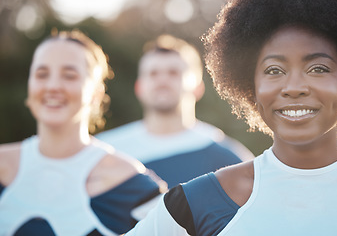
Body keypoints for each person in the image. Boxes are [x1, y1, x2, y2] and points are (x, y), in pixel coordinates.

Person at [126, 0, 337, 235]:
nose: (294, 88)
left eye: (318, 68)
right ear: (250, 86)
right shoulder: (199, 201)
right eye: (274, 70)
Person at [0, 30, 166, 236]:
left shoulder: (132, 185)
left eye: (69, 75)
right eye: (41, 74)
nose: (52, 86)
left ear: (96, 93)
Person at [96, 35, 254, 189]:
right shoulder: (105, 151)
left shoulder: (228, 158)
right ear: (139, 87)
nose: (162, 81)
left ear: (198, 87)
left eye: (173, 73)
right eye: (153, 73)